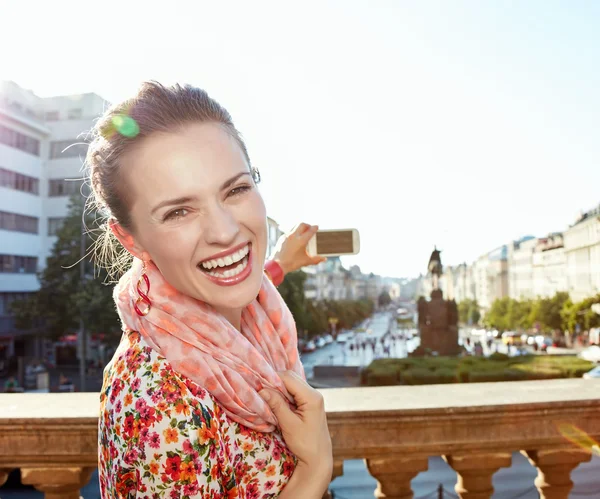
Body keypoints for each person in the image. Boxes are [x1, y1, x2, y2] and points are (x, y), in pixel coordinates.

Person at [93, 82, 332, 498]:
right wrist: (314, 470)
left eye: (236, 189)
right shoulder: (160, 403)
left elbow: (232, 286)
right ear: (131, 240)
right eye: (179, 211)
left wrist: (282, 263)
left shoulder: (233, 323)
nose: (224, 231)